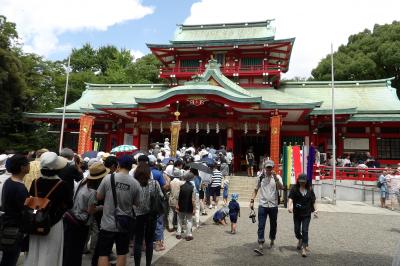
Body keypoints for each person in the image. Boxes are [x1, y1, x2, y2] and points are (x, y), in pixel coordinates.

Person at [24, 152, 73, 266]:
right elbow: (69, 204)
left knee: (35, 249)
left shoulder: (35, 182)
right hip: (54, 223)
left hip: (36, 220)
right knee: (50, 251)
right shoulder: (62, 184)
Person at [96, 155, 141, 266]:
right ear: (131, 167)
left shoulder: (108, 178)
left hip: (107, 223)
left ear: (119, 165)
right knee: (122, 253)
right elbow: (137, 203)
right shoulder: (135, 183)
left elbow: (98, 197)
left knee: (103, 254)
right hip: (124, 224)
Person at [63, 162, 107, 266]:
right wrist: (103, 207)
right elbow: (91, 210)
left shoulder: (82, 182)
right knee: (77, 250)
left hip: (72, 218)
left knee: (71, 248)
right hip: (81, 222)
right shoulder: (92, 192)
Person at [133, 158, 163, 266]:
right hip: (151, 215)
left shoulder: (134, 183)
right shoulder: (155, 183)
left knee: (138, 241)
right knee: (149, 241)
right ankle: (148, 264)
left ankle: (137, 264)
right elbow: (161, 196)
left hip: (137, 215)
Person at [0, 154, 30, 266]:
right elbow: (26, 210)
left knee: (7, 258)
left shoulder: (9, 181)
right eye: (28, 164)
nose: (29, 166)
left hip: (7, 224)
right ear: (22, 167)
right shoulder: (20, 187)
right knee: (10, 259)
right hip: (15, 228)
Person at [250, 159, 283, 256]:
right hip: (263, 205)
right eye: (267, 168)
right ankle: (260, 243)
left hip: (273, 205)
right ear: (264, 168)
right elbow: (255, 190)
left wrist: (276, 178)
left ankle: (272, 239)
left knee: (273, 224)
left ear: (273, 168)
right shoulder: (260, 177)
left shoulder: (277, 177)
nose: (268, 170)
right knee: (261, 225)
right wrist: (252, 201)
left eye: (270, 168)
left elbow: (281, 187)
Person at [288, 174, 317, 257]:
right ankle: (300, 238)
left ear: (306, 182)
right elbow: (290, 198)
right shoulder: (294, 189)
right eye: (300, 182)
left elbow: (313, 201)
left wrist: (315, 210)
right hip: (297, 213)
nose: (302, 184)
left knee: (305, 230)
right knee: (296, 230)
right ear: (298, 181)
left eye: (303, 182)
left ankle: (304, 248)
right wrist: (290, 206)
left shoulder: (310, 189)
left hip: (306, 213)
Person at [176, 172, 196, 241]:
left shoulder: (181, 186)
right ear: (191, 178)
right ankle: (188, 235)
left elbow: (178, 197)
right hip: (189, 206)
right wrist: (194, 208)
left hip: (181, 205)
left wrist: (177, 205)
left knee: (179, 220)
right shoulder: (192, 187)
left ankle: (178, 233)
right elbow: (193, 199)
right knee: (189, 220)